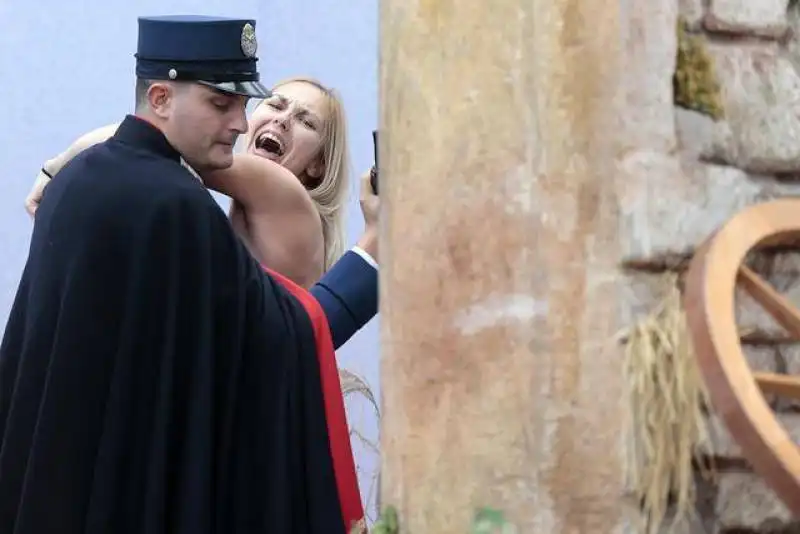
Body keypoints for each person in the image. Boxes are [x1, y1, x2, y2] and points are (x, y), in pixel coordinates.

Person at [0, 15, 375, 534]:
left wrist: (60, 161)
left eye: (244, 103)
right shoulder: (176, 206)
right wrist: (375, 255)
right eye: (223, 104)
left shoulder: (82, 182)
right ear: (159, 98)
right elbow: (276, 340)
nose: (244, 123)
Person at [25, 76, 359, 289]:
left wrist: (54, 168)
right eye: (276, 104)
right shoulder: (241, 203)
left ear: (318, 165)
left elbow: (148, 139)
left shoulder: (281, 189)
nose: (283, 120)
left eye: (305, 121)